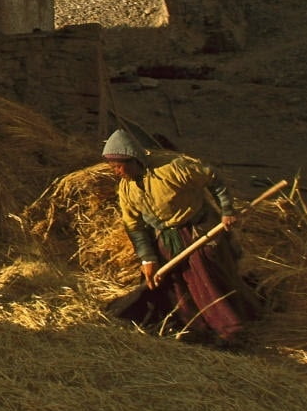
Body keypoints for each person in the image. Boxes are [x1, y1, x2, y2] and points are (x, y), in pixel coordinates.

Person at [102, 127, 255, 345]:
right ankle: (195, 327)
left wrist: (227, 211)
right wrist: (148, 259)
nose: (116, 172)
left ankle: (229, 329)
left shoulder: (172, 168)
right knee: (173, 282)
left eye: (118, 166)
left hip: (198, 231)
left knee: (206, 275)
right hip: (167, 238)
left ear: (133, 159)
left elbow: (213, 178)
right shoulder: (127, 189)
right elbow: (134, 226)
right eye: (113, 167)